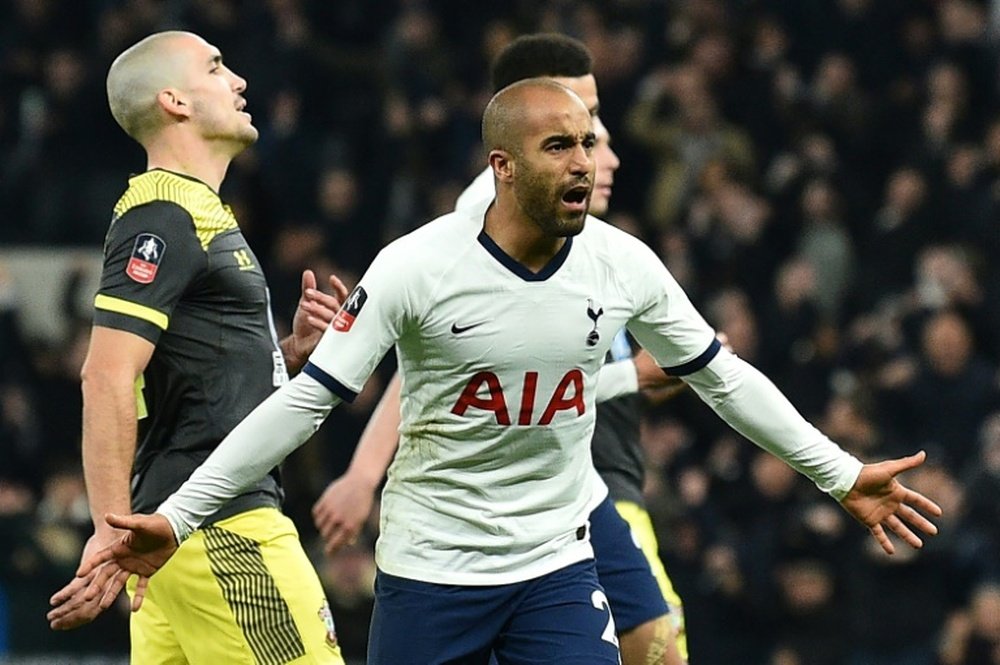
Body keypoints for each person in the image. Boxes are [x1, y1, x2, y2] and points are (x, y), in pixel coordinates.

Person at [75, 79, 941, 665]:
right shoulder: (418, 266)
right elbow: (306, 403)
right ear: (503, 165)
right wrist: (180, 515)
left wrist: (841, 475)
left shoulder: (622, 263)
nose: (584, 164)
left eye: (589, 144)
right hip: (429, 572)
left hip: (554, 567)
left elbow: (725, 375)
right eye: (560, 145)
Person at [311, 32, 690, 665]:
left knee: (655, 644)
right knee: (653, 645)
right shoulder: (481, 226)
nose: (599, 150)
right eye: (577, 117)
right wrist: (363, 473)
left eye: (593, 120)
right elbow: (437, 375)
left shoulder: (589, 230)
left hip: (583, 474)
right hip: (519, 497)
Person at [44, 31, 347, 665]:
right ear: (174, 101)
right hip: (220, 530)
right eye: (216, 68)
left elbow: (184, 374)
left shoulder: (197, 210)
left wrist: (282, 354)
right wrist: (109, 533)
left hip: (177, 543)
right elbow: (104, 375)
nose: (238, 81)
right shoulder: (164, 215)